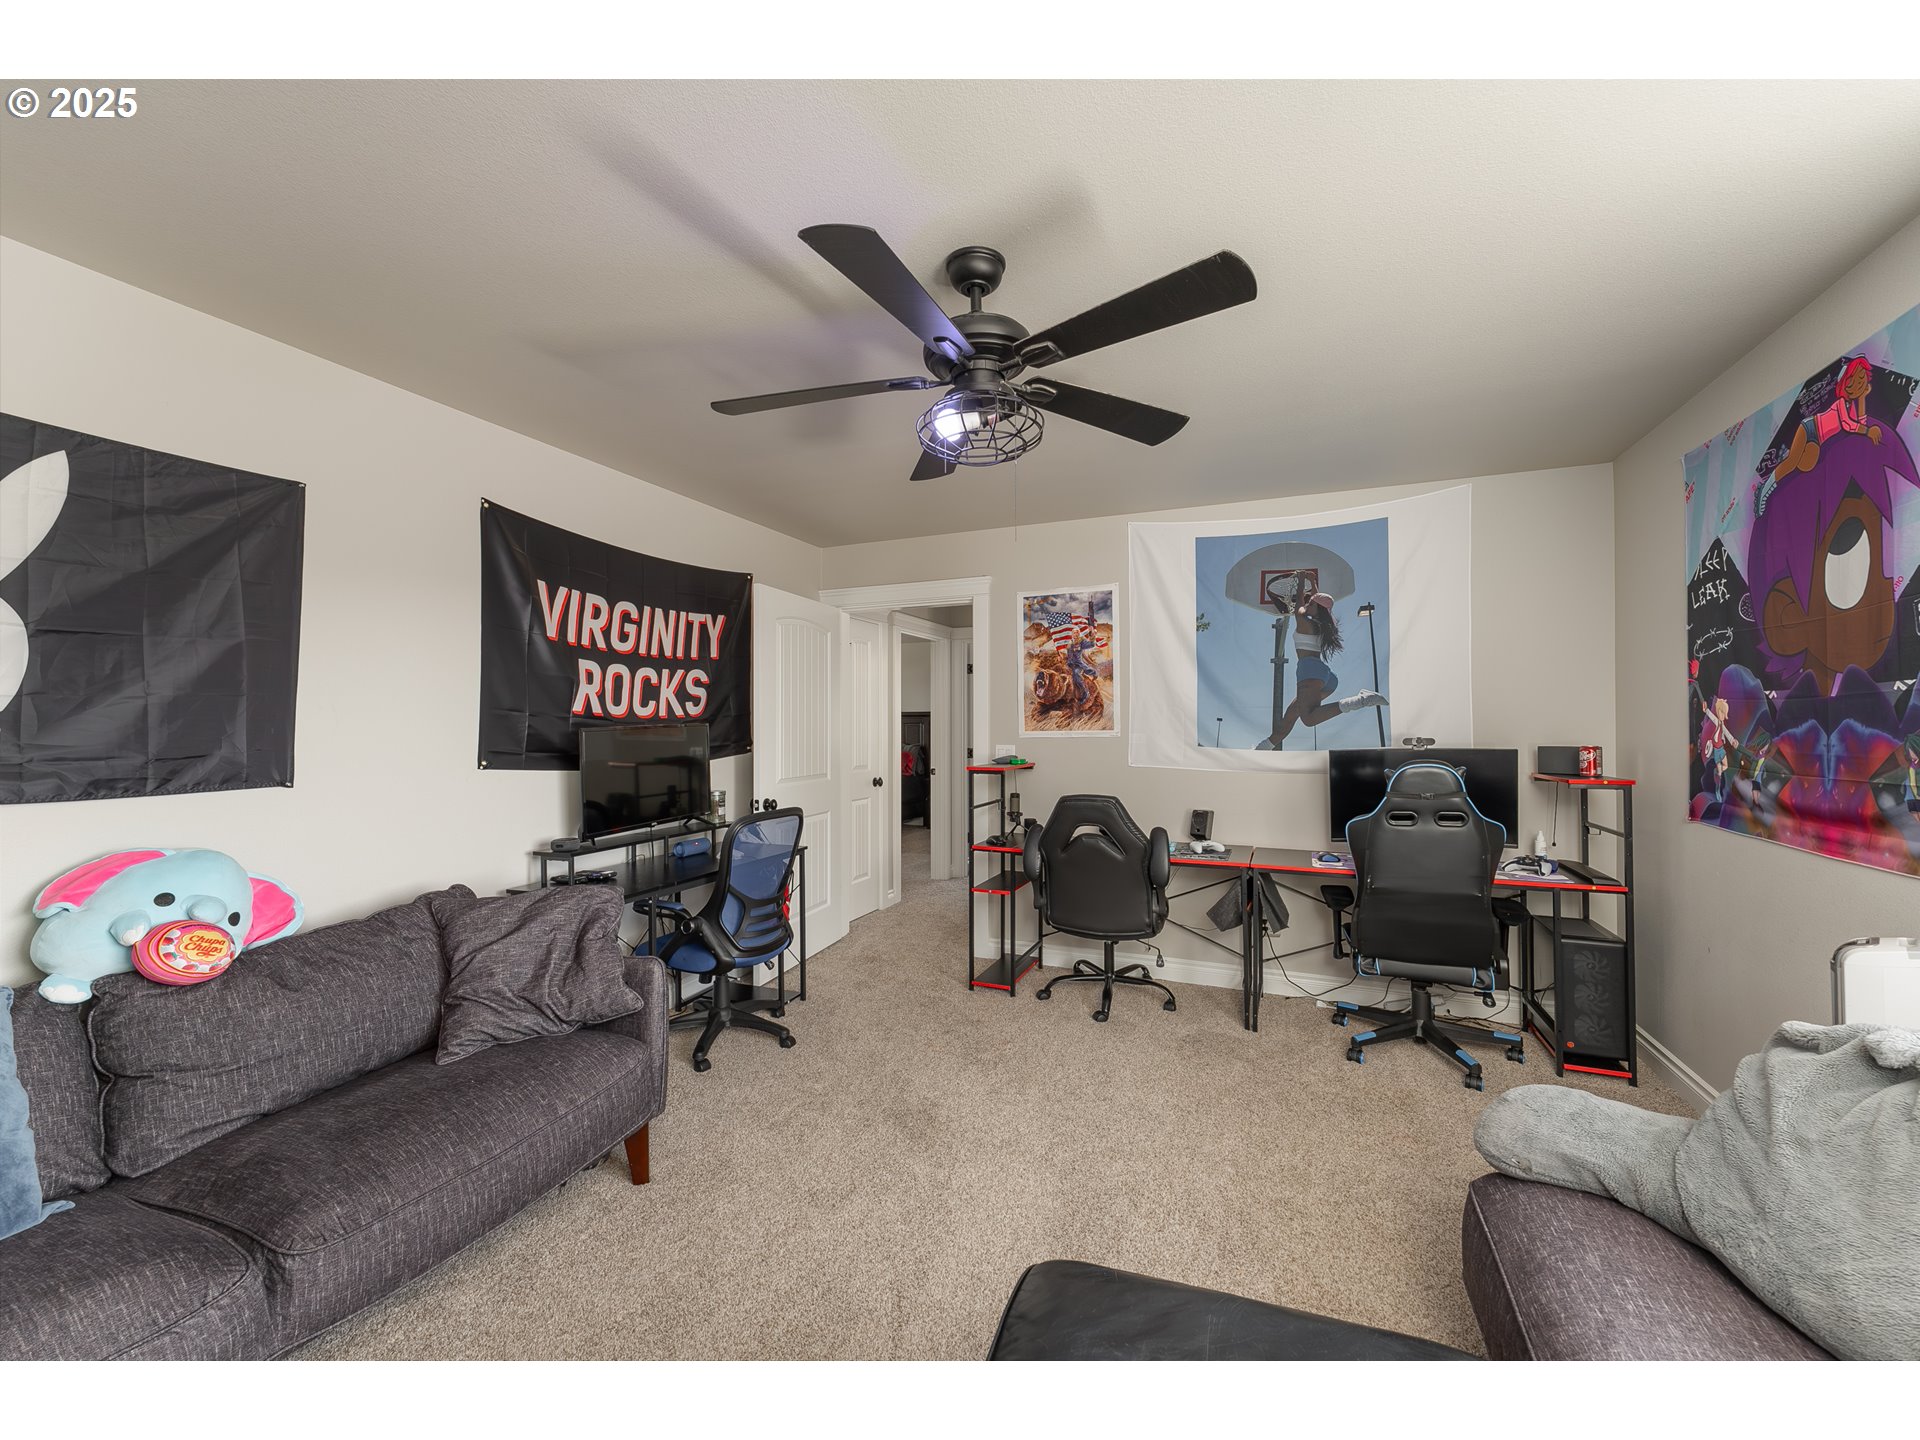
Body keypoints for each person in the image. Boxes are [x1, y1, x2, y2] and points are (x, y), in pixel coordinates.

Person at [1269, 575, 1383, 745]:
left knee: (1308, 719)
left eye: (1311, 604)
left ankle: (1361, 700)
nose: (1307, 605)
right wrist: (1312, 583)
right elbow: (1316, 602)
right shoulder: (1322, 625)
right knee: (1290, 717)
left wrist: (1301, 580)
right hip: (1325, 677)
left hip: (1310, 671)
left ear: (1317, 608)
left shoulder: (1304, 621)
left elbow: (1299, 603)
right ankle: (1262, 749)